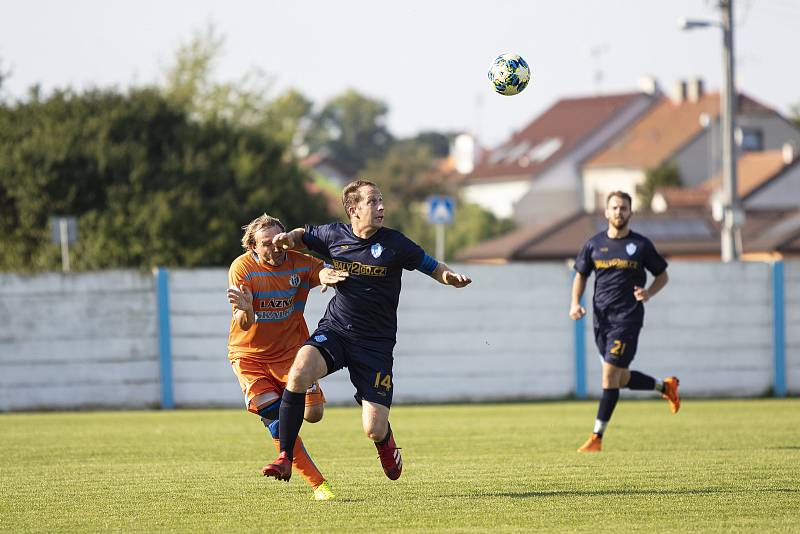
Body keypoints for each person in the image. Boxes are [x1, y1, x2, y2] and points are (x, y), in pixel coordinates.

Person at [261, 179, 472, 482]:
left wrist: (448, 275)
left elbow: (432, 265)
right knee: (299, 372)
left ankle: (385, 442)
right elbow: (302, 236)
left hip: (375, 345)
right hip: (336, 331)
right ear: (353, 209)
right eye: (373, 202)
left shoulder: (395, 244)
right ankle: (285, 457)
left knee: (372, 427)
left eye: (381, 201)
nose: (381, 207)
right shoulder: (333, 235)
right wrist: (286, 238)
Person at [227, 213, 348, 499]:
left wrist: (327, 275)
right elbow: (243, 322)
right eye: (266, 243)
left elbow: (319, 271)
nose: (275, 247)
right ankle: (319, 484)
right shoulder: (242, 268)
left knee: (314, 414)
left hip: (292, 355)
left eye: (279, 240)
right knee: (278, 423)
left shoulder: (299, 262)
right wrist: (246, 309)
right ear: (253, 247)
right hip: (250, 358)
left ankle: (286, 444)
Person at [569, 191, 680, 453]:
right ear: (606, 212)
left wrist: (649, 292)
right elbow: (581, 275)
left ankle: (597, 437)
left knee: (608, 376)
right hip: (601, 321)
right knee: (619, 378)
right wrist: (575, 303)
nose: (618, 212)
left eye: (623, 208)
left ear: (630, 212)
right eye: (614, 208)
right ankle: (666, 386)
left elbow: (662, 275)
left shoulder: (640, 245)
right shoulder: (594, 245)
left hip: (627, 320)